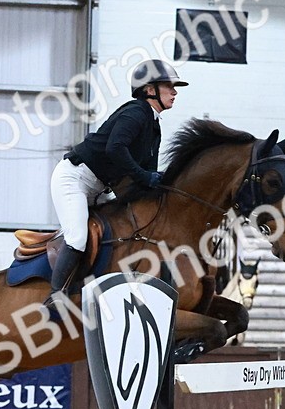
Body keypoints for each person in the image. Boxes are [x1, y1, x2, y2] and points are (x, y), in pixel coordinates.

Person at [43, 59, 188, 317]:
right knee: (77, 237)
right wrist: (145, 176)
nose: (174, 92)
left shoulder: (153, 125)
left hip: (100, 187)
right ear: (150, 89)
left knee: (125, 228)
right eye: (169, 86)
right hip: (74, 179)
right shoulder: (136, 113)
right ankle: (56, 297)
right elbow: (115, 148)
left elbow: (147, 172)